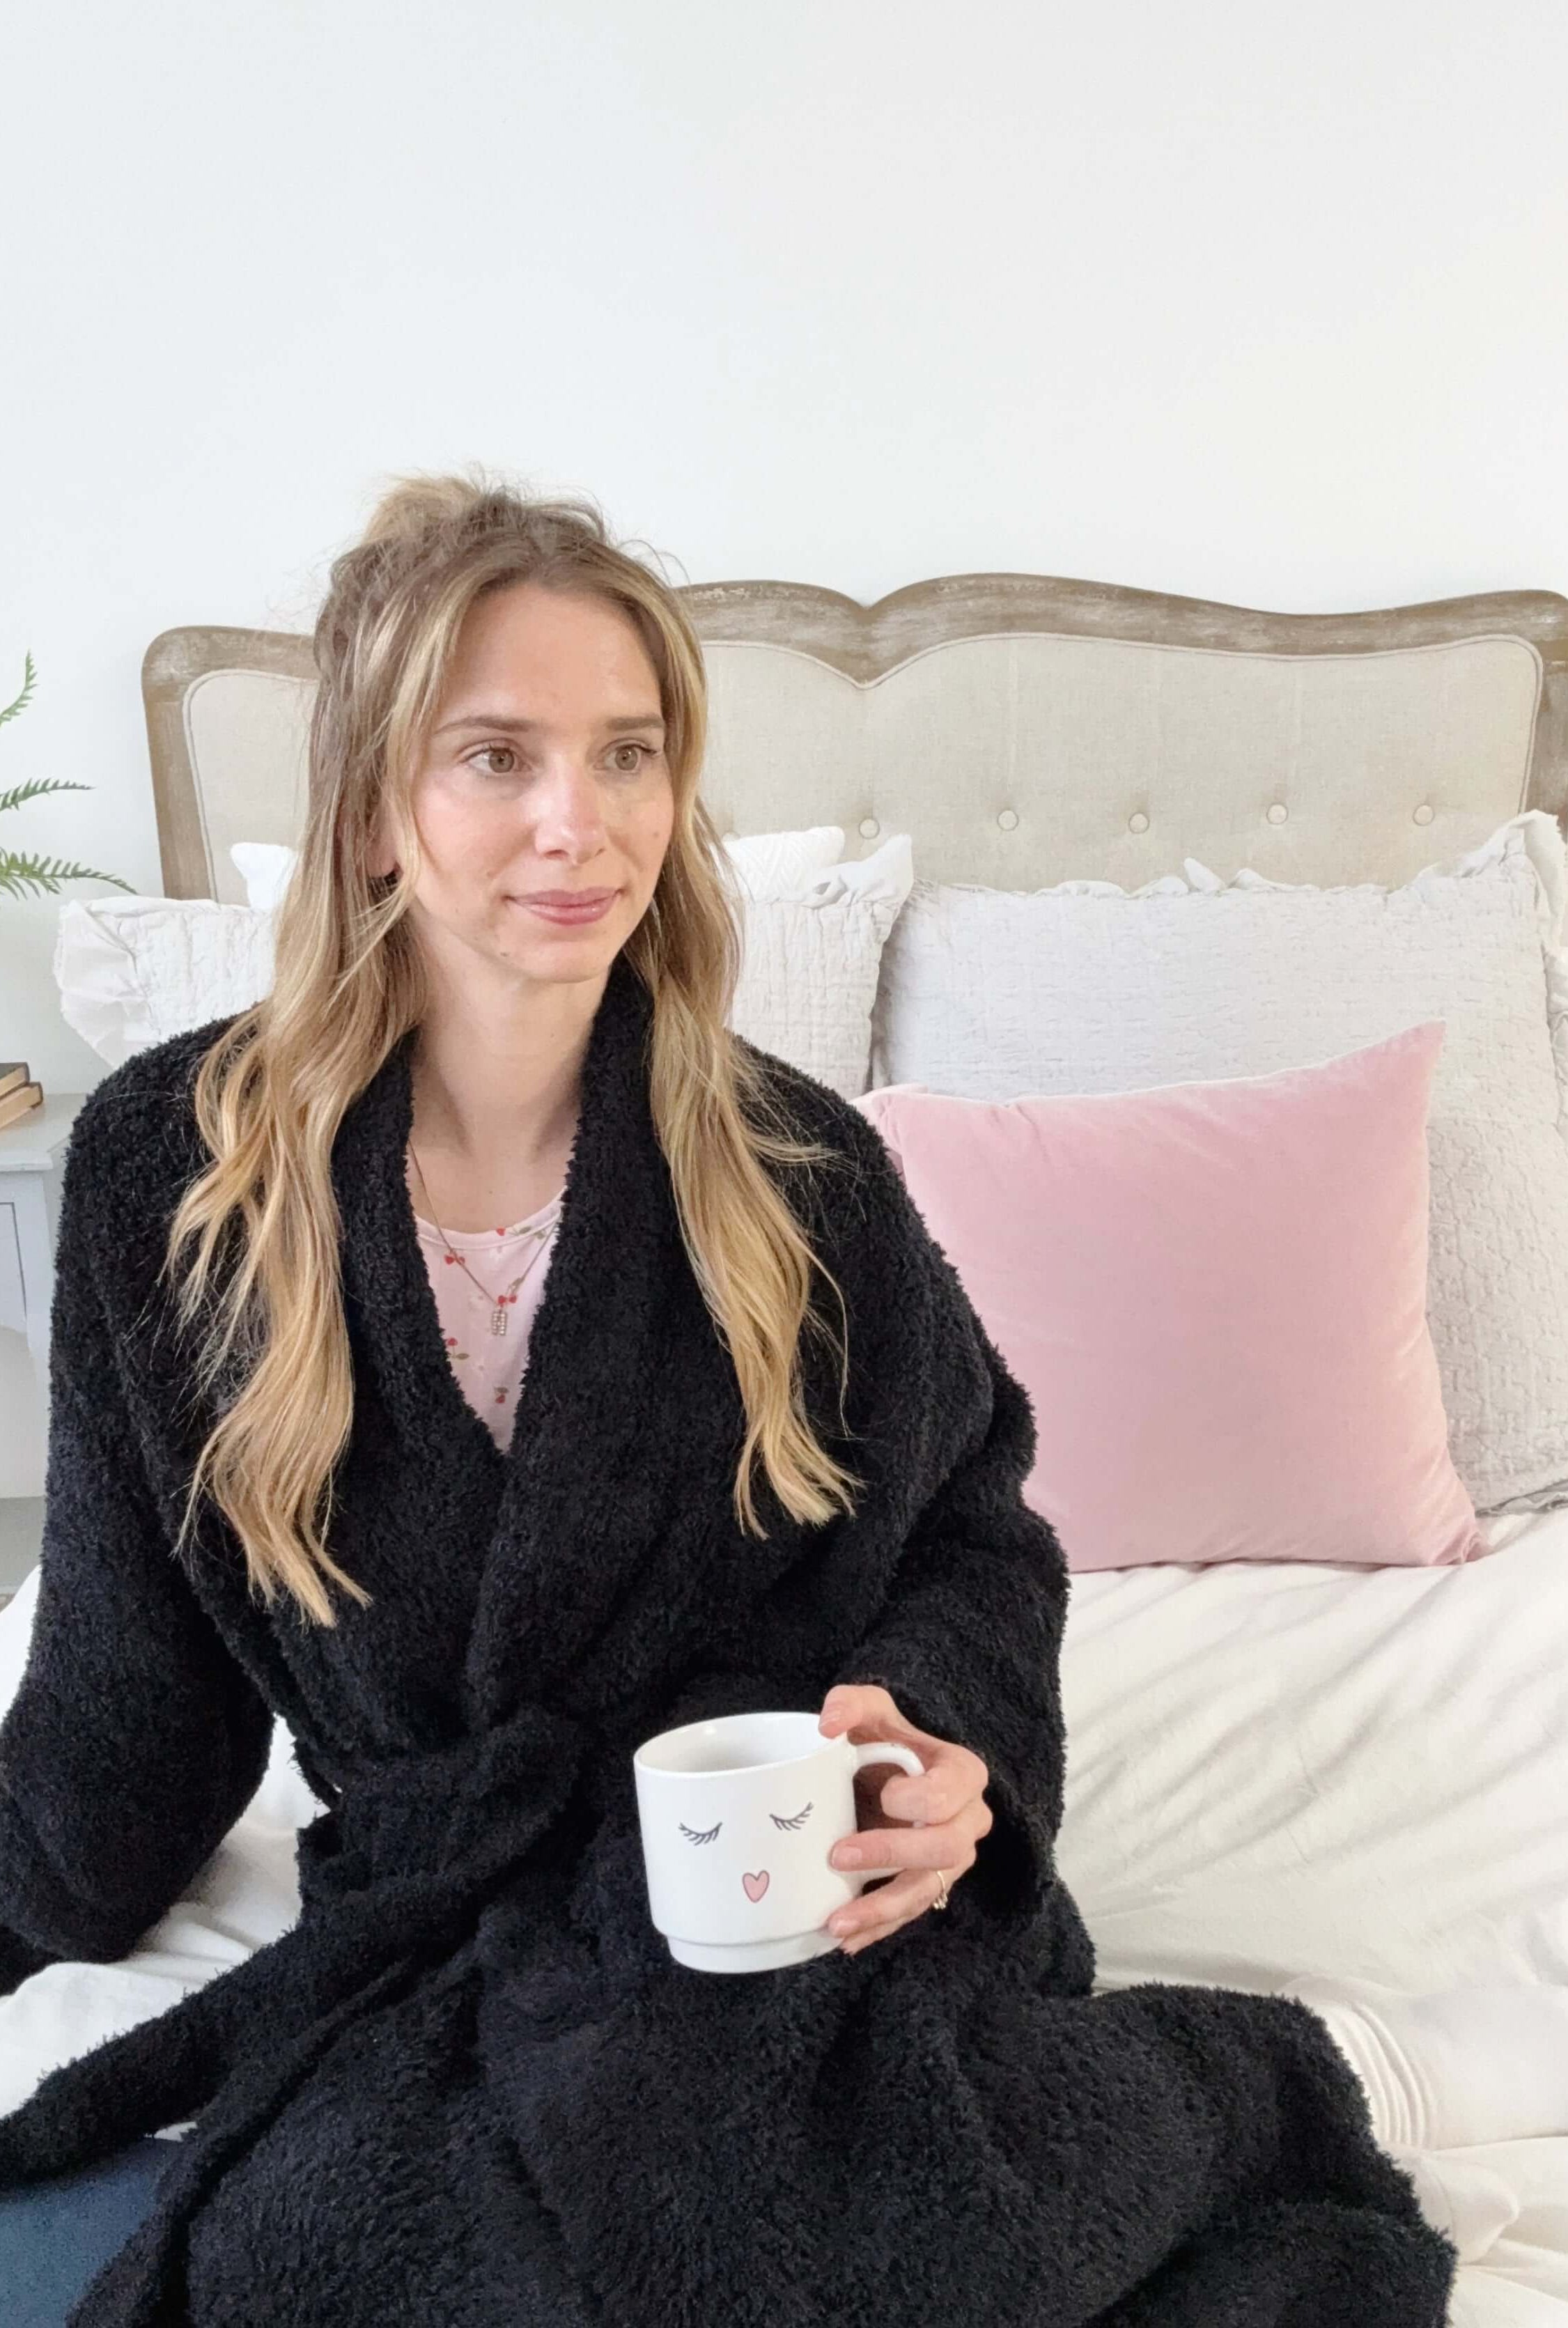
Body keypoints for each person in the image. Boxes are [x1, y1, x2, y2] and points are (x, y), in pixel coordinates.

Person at [0, 467, 1546, 2325]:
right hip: (449, 1906)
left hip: (780, 1879)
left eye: (629, 754)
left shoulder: (792, 1172)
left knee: (817, 2218)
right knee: (317, 2264)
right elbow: (125, 1701)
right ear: (374, 806)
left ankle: (1258, 2085)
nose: (580, 823)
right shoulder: (178, 1172)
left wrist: (938, 1746)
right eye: (495, 756)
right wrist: (34, 1895)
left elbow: (971, 1532)